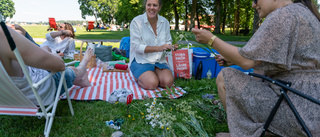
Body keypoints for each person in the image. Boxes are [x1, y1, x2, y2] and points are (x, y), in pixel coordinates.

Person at [192, 0, 320, 136]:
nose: (253, 5)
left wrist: (211, 40)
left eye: (255, 0)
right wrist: (232, 58)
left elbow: (247, 61)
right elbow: (267, 59)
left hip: (295, 112)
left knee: (224, 77)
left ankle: (241, 133)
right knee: (256, 72)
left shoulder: (283, 15)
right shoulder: (304, 13)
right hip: (311, 110)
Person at [0, 24, 92, 106]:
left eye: (61, 27)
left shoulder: (69, 40)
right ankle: (83, 65)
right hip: (39, 92)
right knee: (67, 71)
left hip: (13, 95)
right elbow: (60, 65)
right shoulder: (5, 37)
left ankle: (81, 77)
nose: (59, 28)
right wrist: (52, 54)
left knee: (67, 67)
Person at [129, 0, 178, 90]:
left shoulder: (165, 22)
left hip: (159, 61)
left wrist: (171, 46)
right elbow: (136, 47)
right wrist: (159, 48)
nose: (151, 8)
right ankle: (143, 76)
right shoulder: (137, 21)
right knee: (151, 84)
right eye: (149, 5)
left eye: (155, 5)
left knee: (168, 83)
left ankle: (153, 72)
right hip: (141, 60)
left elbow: (168, 41)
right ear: (145, 6)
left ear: (159, 7)